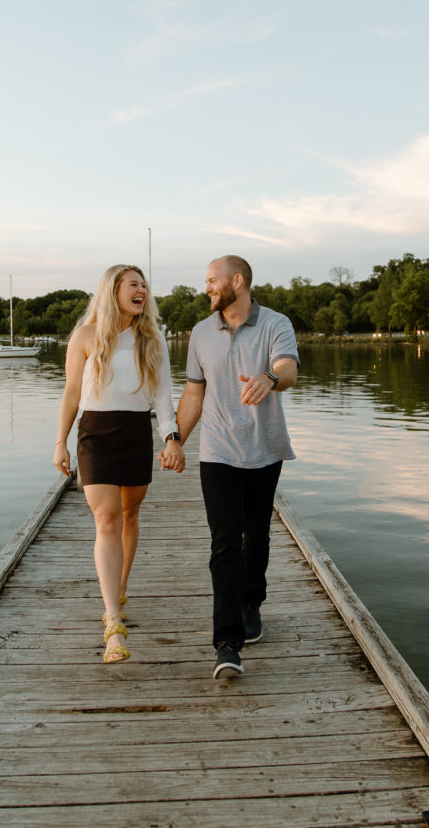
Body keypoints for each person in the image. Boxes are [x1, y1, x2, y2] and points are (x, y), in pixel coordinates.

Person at [160, 255, 299, 679]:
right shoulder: (201, 333)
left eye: (212, 281)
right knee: (224, 541)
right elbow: (193, 393)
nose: (207, 288)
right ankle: (227, 642)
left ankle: (251, 600)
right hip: (217, 452)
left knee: (256, 536)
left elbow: (288, 368)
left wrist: (269, 380)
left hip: (264, 450)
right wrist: (176, 440)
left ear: (237, 281)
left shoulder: (276, 323)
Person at [54, 264, 185, 664]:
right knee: (107, 518)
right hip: (95, 433)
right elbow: (72, 393)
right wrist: (60, 441)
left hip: (133, 433)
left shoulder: (153, 338)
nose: (141, 289)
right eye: (133, 283)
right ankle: (114, 624)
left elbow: (163, 395)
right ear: (112, 290)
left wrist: (172, 438)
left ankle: (120, 589)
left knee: (129, 514)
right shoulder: (86, 336)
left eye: (144, 284)